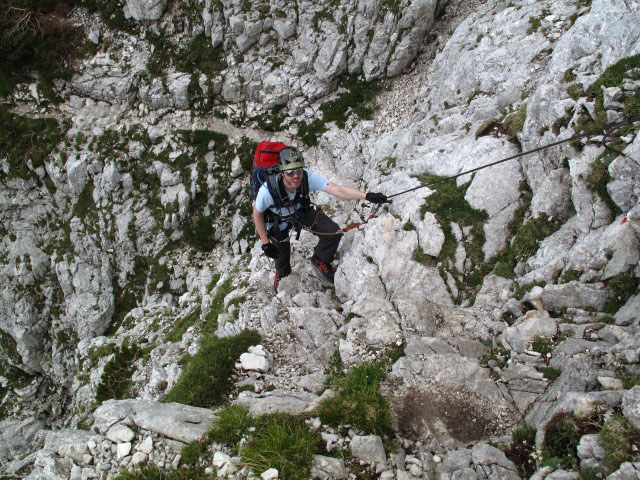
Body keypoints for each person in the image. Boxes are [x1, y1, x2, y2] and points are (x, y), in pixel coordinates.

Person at [252, 146, 389, 291]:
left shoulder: (307, 178)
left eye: (298, 170)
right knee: (281, 255)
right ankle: (282, 273)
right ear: (282, 172)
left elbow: (338, 190)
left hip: (300, 210)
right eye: (290, 172)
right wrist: (265, 243)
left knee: (333, 232)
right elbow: (257, 214)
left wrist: (366, 196)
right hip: (276, 221)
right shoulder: (267, 190)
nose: (296, 176)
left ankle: (320, 259)